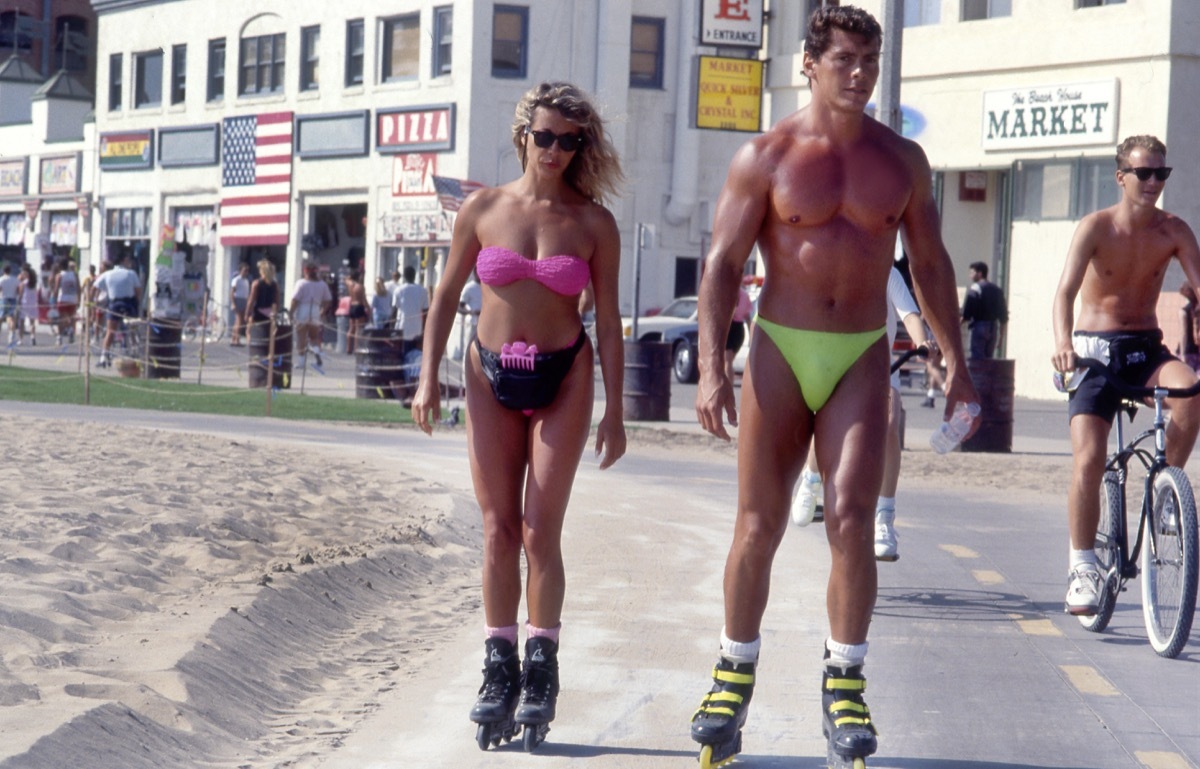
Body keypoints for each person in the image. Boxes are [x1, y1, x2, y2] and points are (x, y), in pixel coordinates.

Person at [688, 7, 977, 768]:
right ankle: (731, 675)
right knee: (760, 523)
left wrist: (958, 360)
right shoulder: (766, 155)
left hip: (860, 352)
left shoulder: (903, 161)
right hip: (781, 349)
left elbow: (933, 265)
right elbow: (720, 264)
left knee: (852, 517)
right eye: (845, 58)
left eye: (870, 59)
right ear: (808, 65)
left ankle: (844, 678)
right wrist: (714, 365)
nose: (859, 72)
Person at [411, 81, 626, 748]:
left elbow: (612, 322)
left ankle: (542, 669)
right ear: (522, 135)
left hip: (566, 375)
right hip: (486, 370)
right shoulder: (482, 208)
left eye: (570, 139)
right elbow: (445, 298)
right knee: (498, 529)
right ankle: (498, 668)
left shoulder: (594, 223)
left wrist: (616, 409)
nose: (556, 149)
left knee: (540, 530)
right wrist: (427, 380)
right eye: (546, 136)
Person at [1051, 134, 1200, 616]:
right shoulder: (1095, 227)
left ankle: (1163, 494)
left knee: (1190, 394)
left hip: (1144, 347)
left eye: (1162, 173)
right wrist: (1062, 346)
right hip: (1093, 351)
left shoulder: (1175, 230)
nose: (1154, 182)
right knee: (1090, 459)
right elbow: (1064, 294)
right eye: (1145, 173)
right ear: (1122, 177)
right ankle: (1081, 567)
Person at [791, 267, 934, 564]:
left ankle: (884, 518)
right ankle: (811, 481)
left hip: (880, 366)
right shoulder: (836, 263)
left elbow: (908, 313)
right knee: (825, 417)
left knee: (890, 424)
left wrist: (921, 341)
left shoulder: (887, 273)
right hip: (837, 362)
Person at [94, 255, 143, 368]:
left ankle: (103, 357)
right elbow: (138, 291)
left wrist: (95, 301)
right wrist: (136, 302)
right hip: (129, 303)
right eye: (128, 260)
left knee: (110, 331)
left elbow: (94, 286)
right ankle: (135, 353)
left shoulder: (108, 274)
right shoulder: (131, 273)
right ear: (123, 262)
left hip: (114, 303)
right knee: (132, 330)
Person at [961, 261, 1008, 359]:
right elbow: (1003, 316)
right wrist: (1001, 338)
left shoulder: (975, 289)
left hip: (979, 327)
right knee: (988, 359)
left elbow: (967, 313)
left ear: (979, 273)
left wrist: (957, 326)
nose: (970, 276)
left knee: (977, 358)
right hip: (993, 328)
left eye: (972, 273)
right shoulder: (997, 290)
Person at [290, 262, 333, 369]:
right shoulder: (322, 284)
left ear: (305, 272)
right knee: (313, 337)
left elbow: (295, 299)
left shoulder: (301, 283)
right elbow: (328, 300)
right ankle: (317, 353)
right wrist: (323, 311)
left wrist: (291, 312)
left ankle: (301, 362)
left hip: (303, 309)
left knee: (301, 337)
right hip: (315, 309)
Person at [392, 265, 429, 355]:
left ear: (404, 276)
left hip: (402, 328)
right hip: (417, 328)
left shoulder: (399, 290)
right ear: (414, 275)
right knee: (415, 355)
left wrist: (392, 327)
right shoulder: (422, 290)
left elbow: (394, 310)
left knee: (402, 355)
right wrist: (424, 330)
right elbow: (425, 312)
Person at [244, 258, 279, 340]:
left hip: (258, 310)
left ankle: (252, 348)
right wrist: (275, 312)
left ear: (262, 271)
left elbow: (251, 300)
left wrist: (247, 313)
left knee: (249, 331)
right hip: (270, 311)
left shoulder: (256, 283)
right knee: (268, 333)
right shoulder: (275, 284)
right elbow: (277, 300)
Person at [725, 283, 753, 382]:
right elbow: (748, 317)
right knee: (728, 361)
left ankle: (728, 387)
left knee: (727, 362)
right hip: (739, 330)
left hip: (730, 327)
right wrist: (751, 334)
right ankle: (729, 387)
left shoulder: (727, 292)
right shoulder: (745, 295)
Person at [53, 259, 79, 345]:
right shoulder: (74, 275)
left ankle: (59, 336)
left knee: (61, 318)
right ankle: (71, 330)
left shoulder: (59, 276)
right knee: (71, 317)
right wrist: (79, 298)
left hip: (62, 299)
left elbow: (56, 289)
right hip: (72, 299)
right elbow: (78, 288)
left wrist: (54, 299)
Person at [1178, 282, 1200, 373]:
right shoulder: (1197, 311)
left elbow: (1183, 334)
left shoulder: (1183, 312)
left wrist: (1182, 354)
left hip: (1188, 352)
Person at [344, 269, 368, 354]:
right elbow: (363, 300)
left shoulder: (350, 285)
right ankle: (356, 348)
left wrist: (351, 276)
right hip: (358, 306)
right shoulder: (360, 286)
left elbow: (346, 278)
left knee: (351, 328)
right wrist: (368, 308)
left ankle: (348, 348)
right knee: (358, 329)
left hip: (352, 306)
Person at [230, 263, 251, 346]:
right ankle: (237, 340)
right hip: (237, 299)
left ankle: (234, 338)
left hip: (244, 300)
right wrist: (233, 303)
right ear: (240, 271)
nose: (246, 272)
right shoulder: (236, 280)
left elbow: (247, 293)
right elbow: (232, 292)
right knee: (239, 320)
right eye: (244, 271)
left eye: (247, 271)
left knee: (240, 321)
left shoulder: (246, 281)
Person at [18, 264, 39, 346]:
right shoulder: (33, 283)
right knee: (32, 322)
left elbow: (20, 293)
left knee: (22, 322)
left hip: (24, 303)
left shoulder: (24, 283)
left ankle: (21, 339)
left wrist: (18, 302)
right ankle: (32, 336)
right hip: (33, 303)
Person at [0, 264, 19, 346]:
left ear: (3, 271)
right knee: (11, 317)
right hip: (12, 298)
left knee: (1, 317)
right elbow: (18, 290)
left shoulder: (1, 279)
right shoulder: (15, 279)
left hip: (3, 298)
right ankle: (11, 335)